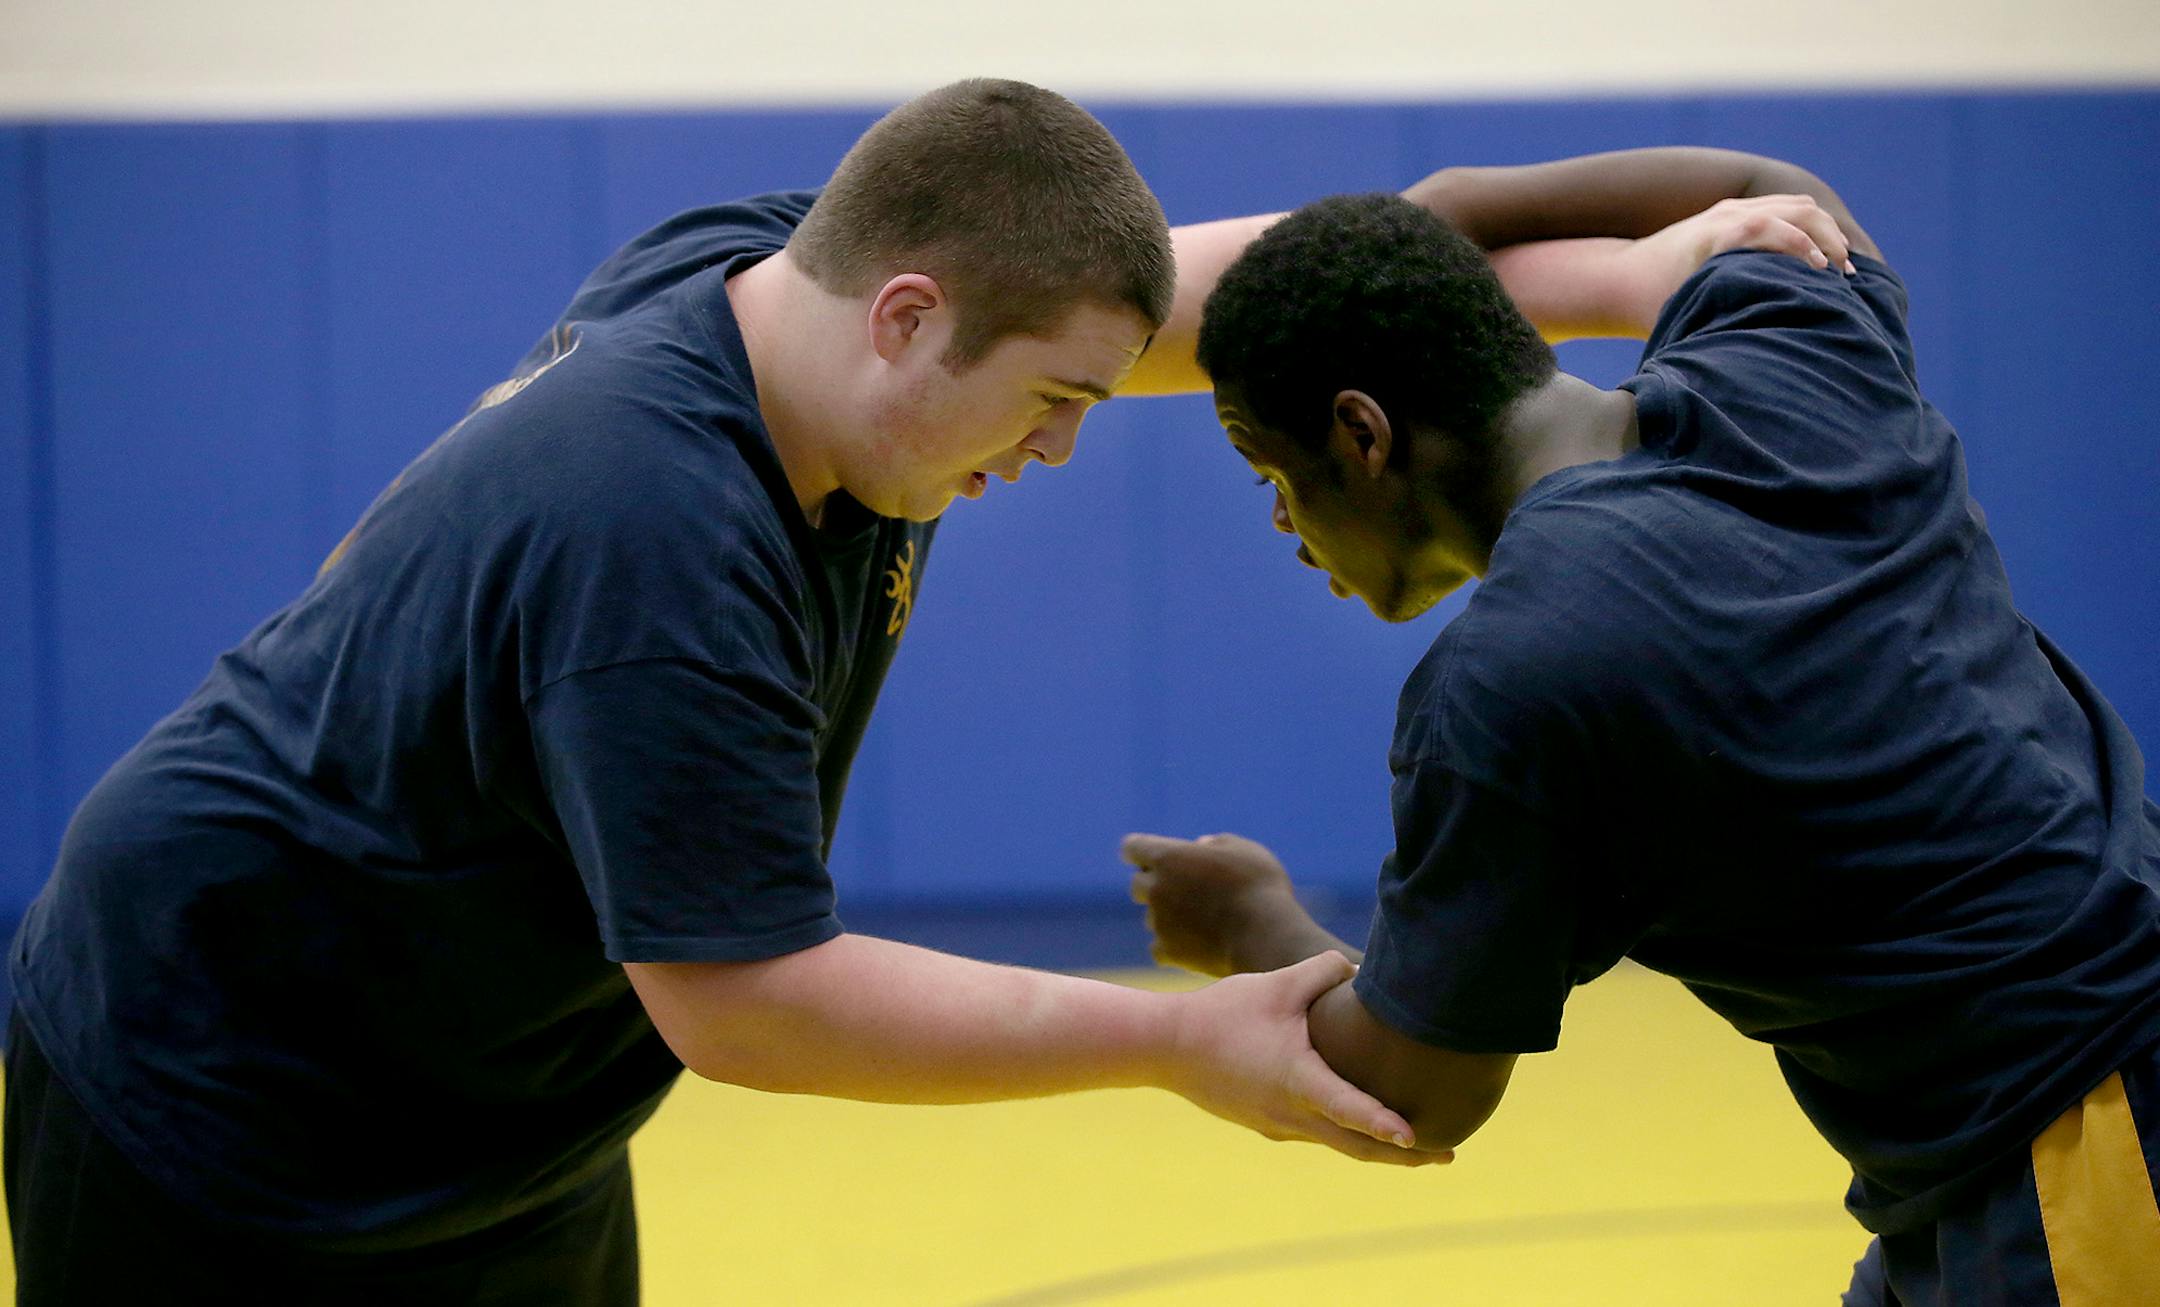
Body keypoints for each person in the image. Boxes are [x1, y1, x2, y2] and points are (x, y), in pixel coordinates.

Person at [3, 77, 1853, 1300]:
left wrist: (1636, 265)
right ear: (906, 319)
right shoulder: (657, 539)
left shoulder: (788, 284)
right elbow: (751, 1002)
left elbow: (1261, 285)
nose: (1057, 452)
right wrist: (1171, 1034)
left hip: (494, 1114)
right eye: (1050, 403)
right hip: (213, 1104)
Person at [1124, 145, 2160, 1305]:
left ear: (1362, 438)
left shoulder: (1518, 675)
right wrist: (1461, 203)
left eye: (1270, 470)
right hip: (2040, 1114)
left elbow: (1412, 1095)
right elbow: (1787, 201)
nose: (1279, 518)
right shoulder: (1792, 362)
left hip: (2082, 1138)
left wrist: (1250, 923)